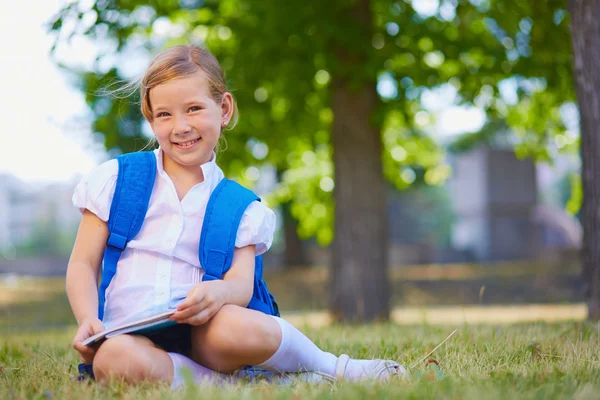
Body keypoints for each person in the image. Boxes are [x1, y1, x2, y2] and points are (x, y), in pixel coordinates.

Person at [66, 44, 406, 388]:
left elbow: (240, 285)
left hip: (207, 335)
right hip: (131, 337)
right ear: (150, 118)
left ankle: (335, 367)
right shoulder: (116, 180)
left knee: (231, 326)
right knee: (113, 359)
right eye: (165, 115)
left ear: (224, 109)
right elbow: (83, 263)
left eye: (194, 109)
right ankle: (228, 385)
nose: (181, 126)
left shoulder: (239, 206)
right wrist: (88, 318)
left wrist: (219, 295)